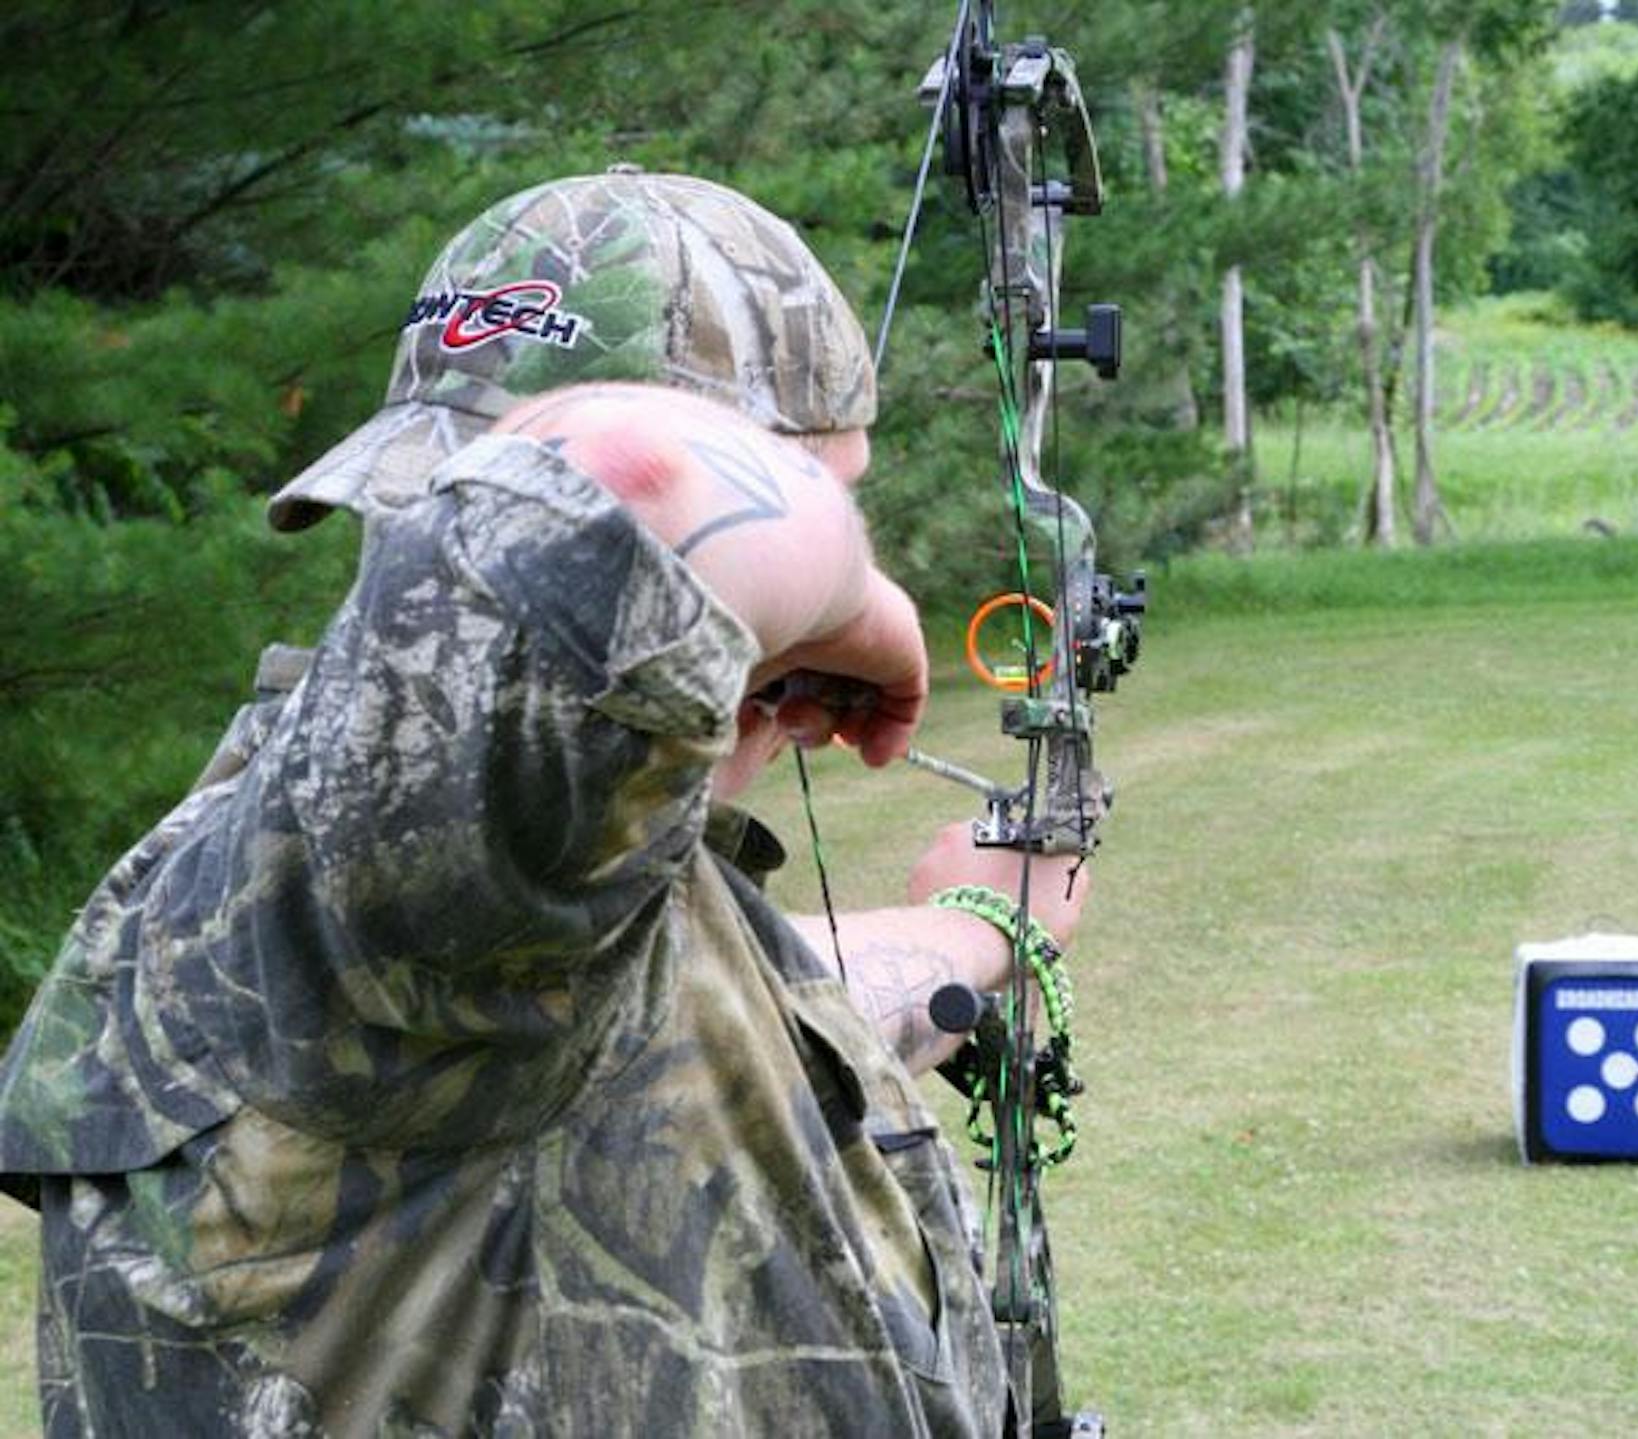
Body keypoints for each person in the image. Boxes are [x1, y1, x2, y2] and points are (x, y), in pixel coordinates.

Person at [0, 168, 1086, 1435]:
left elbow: (722, 1040)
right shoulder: (388, 880)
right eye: (828, 503)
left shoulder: (470, 921)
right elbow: (634, 479)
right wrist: (861, 605)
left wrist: (978, 925)